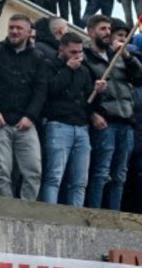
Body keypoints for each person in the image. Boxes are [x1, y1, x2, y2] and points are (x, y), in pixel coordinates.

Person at [0, 12, 45, 200]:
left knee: (34, 171)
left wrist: (30, 116)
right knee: (2, 172)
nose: (14, 31)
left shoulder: (38, 57)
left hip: (26, 124)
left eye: (19, 28)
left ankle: (26, 212)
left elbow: (41, 90)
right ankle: (5, 210)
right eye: (11, 27)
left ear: (28, 32)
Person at [85, 16, 142, 210]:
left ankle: (114, 213)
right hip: (105, 122)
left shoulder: (117, 56)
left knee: (120, 174)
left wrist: (128, 57)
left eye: (108, 29)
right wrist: (92, 114)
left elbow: (140, 78)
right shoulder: (85, 56)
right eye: (102, 29)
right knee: (101, 172)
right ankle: (95, 212)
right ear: (91, 31)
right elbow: (79, 91)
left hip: (126, 121)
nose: (107, 33)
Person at [39, 32, 98, 207]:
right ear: (61, 49)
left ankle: (76, 215)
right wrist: (67, 70)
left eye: (80, 52)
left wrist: (98, 92)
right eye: (73, 52)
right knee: (54, 176)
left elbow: (89, 102)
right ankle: (50, 213)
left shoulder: (85, 71)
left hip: (81, 127)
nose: (77, 56)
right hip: (58, 125)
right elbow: (50, 91)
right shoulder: (49, 65)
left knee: (80, 180)